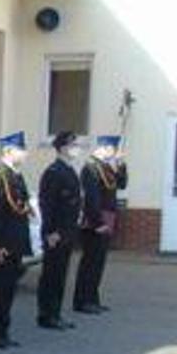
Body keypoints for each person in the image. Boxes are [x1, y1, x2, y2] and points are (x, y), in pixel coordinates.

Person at [0, 132, 34, 349]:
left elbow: (22, 206)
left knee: (8, 291)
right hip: (3, 245)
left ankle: (2, 331)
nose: (25, 153)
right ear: (8, 151)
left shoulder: (16, 177)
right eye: (21, 150)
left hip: (15, 243)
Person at [36, 131, 85, 330]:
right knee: (52, 275)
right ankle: (47, 315)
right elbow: (47, 205)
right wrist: (50, 232)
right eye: (73, 145)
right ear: (63, 148)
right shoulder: (54, 172)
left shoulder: (69, 170)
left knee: (60, 275)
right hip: (56, 233)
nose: (77, 149)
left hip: (67, 231)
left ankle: (55, 313)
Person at [75, 135, 128, 314]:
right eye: (113, 150)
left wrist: (121, 164)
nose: (114, 153)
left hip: (107, 217)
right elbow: (91, 198)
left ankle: (93, 298)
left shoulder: (106, 167)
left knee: (98, 262)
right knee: (90, 262)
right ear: (104, 148)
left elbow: (121, 184)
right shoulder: (90, 168)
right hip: (95, 220)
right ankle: (82, 301)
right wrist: (98, 222)